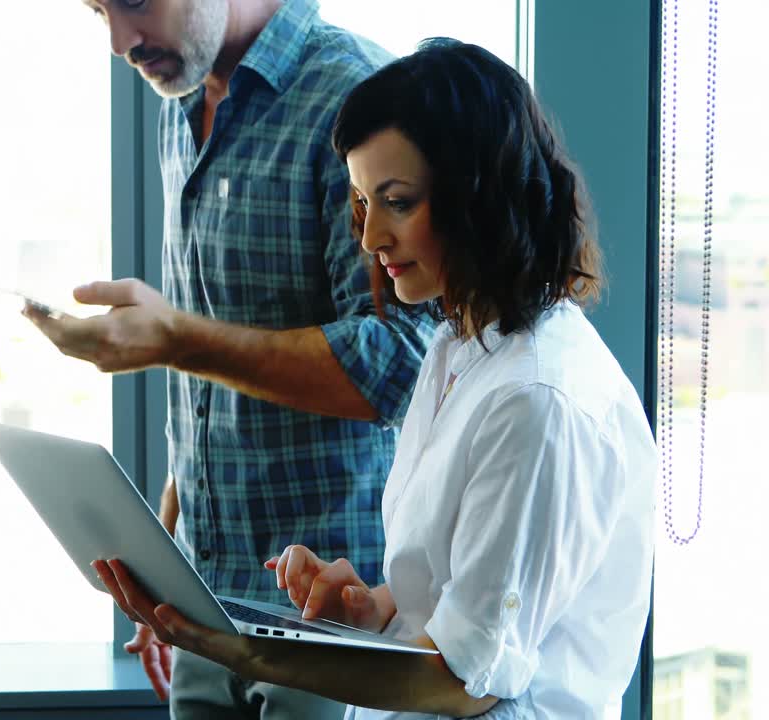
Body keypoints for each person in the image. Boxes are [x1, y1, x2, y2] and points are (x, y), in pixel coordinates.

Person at [92, 39, 656, 719]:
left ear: (477, 193)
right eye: (363, 203)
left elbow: (465, 681)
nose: (371, 239)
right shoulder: (460, 349)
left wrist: (245, 651)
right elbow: (451, 598)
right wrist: (367, 605)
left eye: (396, 201)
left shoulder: (538, 400)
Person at [29, 1, 434, 717]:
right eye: (99, 12)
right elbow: (222, 355)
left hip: (336, 622)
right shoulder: (179, 106)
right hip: (206, 603)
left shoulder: (353, 96)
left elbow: (399, 363)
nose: (121, 43)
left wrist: (176, 339)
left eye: (133, 3)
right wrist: (171, 541)